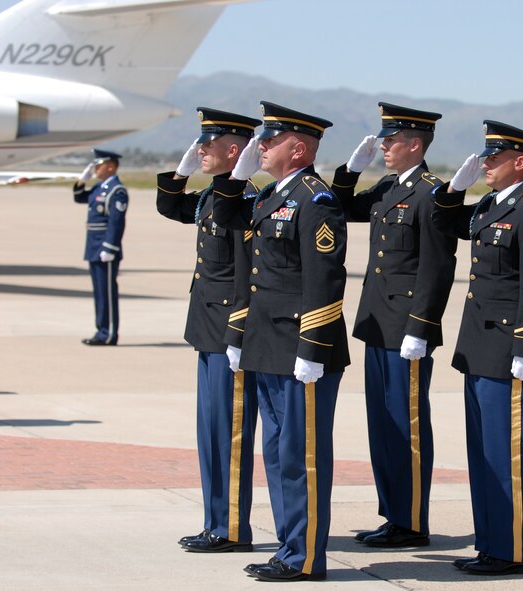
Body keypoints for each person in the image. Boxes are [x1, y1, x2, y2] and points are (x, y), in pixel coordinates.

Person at [211, 101, 349, 582]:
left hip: (299, 347)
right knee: (277, 454)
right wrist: (235, 178)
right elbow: (228, 219)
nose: (262, 146)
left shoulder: (316, 200)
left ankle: (305, 558)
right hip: (268, 344)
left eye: (271, 141)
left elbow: (325, 280)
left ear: (300, 149)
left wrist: (313, 349)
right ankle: (290, 548)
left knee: (301, 456)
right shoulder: (272, 196)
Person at [432, 121, 523, 576]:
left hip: (509, 350)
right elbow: (444, 223)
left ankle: (512, 551)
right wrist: (453, 191)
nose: (486, 164)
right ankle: (491, 544)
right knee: (484, 453)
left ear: (521, 162)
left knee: (506, 454)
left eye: (495, 157)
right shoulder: (490, 205)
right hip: (480, 347)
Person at [330, 103, 457, 548]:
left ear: (415, 144)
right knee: (383, 425)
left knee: (408, 424)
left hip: (406, 330)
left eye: (391, 140)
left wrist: (421, 327)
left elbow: (437, 267)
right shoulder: (387, 187)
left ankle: (412, 521)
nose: (383, 147)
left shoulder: (431, 193)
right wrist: (350, 172)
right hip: (377, 324)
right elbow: (340, 207)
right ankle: (394, 514)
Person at [155, 107, 262, 553]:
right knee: (211, 432)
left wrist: (237, 333)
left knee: (229, 433)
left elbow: (247, 274)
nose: (200, 150)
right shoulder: (212, 195)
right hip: (206, 329)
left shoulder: (246, 200)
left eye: (208, 145)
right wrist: (178, 175)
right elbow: (170, 206)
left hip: (227, 333)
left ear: (234, 150)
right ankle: (216, 521)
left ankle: (231, 527)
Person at [73, 148, 128, 346]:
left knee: (107, 293)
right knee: (99, 292)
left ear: (111, 166)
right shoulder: (99, 187)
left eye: (99, 165)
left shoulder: (116, 190)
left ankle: (109, 333)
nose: (95, 168)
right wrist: (82, 180)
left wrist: (110, 247)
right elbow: (79, 197)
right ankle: (101, 331)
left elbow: (116, 222)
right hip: (93, 247)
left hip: (105, 248)